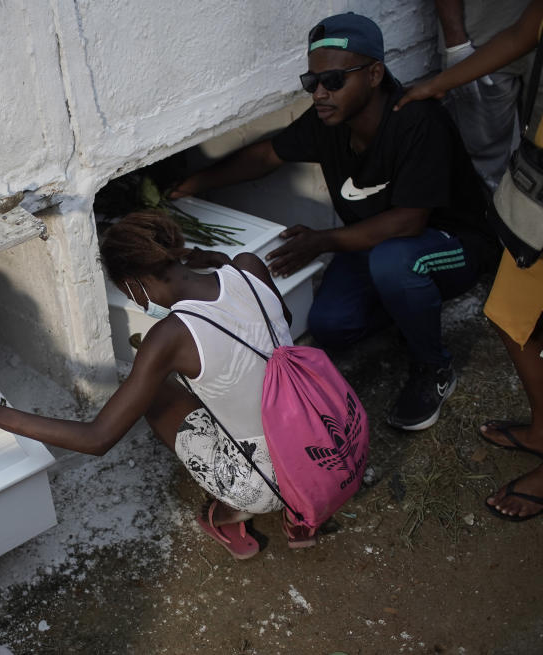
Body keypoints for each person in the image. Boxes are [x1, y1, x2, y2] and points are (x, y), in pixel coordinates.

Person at [170, 12, 499, 432]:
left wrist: (322, 241)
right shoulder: (330, 121)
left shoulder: (417, 121)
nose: (319, 94)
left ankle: (433, 367)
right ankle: (409, 307)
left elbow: (408, 222)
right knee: (331, 326)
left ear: (375, 73)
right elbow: (266, 155)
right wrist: (194, 182)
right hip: (375, 245)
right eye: (311, 83)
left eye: (333, 81)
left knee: (396, 264)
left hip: (451, 244)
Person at [0, 210, 310, 560]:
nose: (138, 304)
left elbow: (97, 439)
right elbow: (282, 326)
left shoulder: (169, 337)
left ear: (135, 282)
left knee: (151, 391)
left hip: (265, 483)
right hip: (318, 439)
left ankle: (231, 511)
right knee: (214, 379)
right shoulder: (247, 267)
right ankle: (305, 508)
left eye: (128, 294)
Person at [396, 0, 543, 522]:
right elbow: (525, 32)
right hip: (539, 175)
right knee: (510, 312)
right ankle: (542, 427)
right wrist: (442, 82)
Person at [433, 0, 531, 189]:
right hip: (480, 33)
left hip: (534, 26)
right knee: (483, 166)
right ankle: (487, 214)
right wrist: (456, 44)